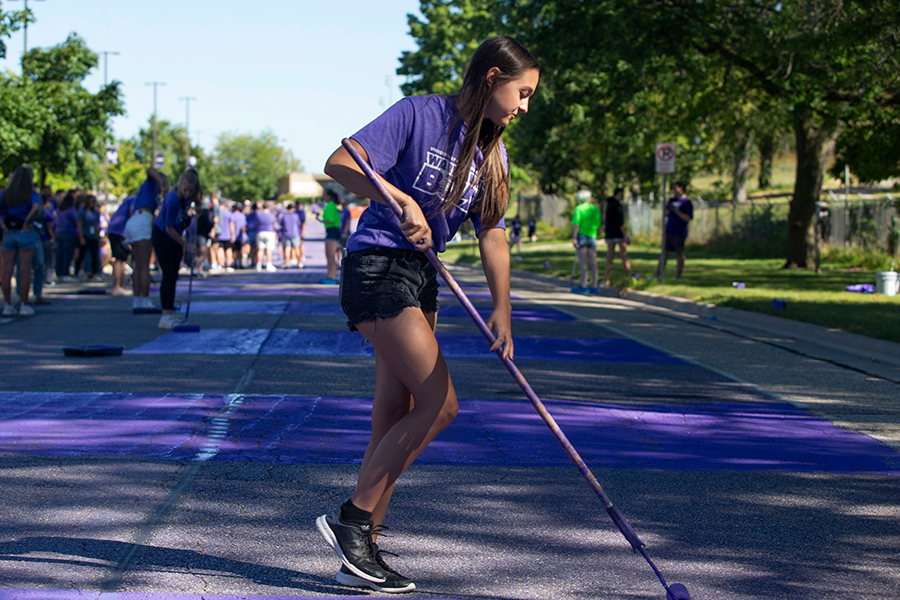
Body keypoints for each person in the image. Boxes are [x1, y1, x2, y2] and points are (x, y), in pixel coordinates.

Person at [316, 35, 538, 593]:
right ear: (491, 77)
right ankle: (353, 519)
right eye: (522, 92)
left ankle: (358, 557)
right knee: (441, 404)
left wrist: (503, 310)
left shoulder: (493, 152)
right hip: (377, 266)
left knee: (398, 408)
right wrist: (400, 198)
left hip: (421, 277)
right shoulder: (422, 112)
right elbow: (339, 162)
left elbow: (494, 233)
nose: (524, 107)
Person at [152, 168, 201, 329]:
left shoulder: (190, 199)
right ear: (180, 185)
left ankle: (170, 312)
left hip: (174, 238)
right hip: (163, 235)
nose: (187, 193)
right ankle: (165, 315)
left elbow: (183, 221)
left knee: (174, 275)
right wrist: (186, 244)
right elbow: (168, 228)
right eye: (185, 189)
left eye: (191, 191)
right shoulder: (172, 199)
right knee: (169, 273)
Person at [1, 165, 43, 316]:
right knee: (24, 270)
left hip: (9, 232)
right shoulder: (30, 193)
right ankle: (24, 304)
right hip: (25, 232)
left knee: (6, 270)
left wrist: (3, 226)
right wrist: (27, 221)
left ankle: (7, 304)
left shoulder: (6, 193)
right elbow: (37, 207)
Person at [125, 168, 168, 309]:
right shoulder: (151, 184)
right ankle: (145, 300)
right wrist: (160, 181)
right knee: (144, 265)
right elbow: (150, 169)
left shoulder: (147, 191)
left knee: (137, 265)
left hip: (134, 220)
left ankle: (137, 300)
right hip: (142, 219)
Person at [657, 181, 693, 281]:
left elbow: (688, 217)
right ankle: (657, 274)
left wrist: (676, 211)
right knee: (664, 253)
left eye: (675, 188)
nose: (674, 190)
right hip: (669, 230)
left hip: (680, 231)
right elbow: (666, 213)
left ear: (681, 188)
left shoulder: (687, 202)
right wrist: (669, 210)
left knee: (679, 253)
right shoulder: (672, 200)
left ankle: (678, 276)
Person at [570, 190, 601, 294]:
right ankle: (595, 285)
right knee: (593, 262)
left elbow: (576, 224)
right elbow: (597, 224)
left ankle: (584, 285)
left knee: (583, 262)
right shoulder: (595, 209)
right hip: (592, 236)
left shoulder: (579, 209)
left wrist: (574, 238)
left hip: (582, 236)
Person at [107, 195, 135, 295]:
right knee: (119, 259)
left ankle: (121, 286)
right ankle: (117, 287)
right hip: (119, 231)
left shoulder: (130, 199)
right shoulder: (134, 199)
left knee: (123, 259)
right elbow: (132, 213)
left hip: (118, 230)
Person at [603, 187, 631, 286]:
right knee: (624, 255)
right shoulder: (618, 206)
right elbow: (620, 223)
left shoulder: (609, 204)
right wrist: (626, 235)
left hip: (609, 233)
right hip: (618, 234)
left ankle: (607, 278)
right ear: (618, 194)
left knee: (610, 256)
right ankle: (628, 276)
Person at [75, 195, 101, 281]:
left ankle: (94, 273)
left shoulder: (96, 212)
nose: (93, 203)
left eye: (94, 201)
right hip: (85, 235)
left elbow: (97, 224)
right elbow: (80, 224)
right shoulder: (82, 211)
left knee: (94, 255)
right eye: (91, 201)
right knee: (82, 254)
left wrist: (98, 235)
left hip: (93, 236)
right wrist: (81, 237)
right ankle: (77, 271)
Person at [55, 192, 79, 282]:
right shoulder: (71, 209)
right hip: (69, 233)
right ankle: (65, 273)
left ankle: (59, 274)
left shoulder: (60, 209)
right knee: (67, 255)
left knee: (59, 254)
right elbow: (77, 220)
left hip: (59, 232)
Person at [320, 189, 341, 284]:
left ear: (329, 196)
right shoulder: (330, 205)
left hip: (332, 231)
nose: (322, 196)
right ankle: (330, 275)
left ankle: (332, 276)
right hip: (330, 231)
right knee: (329, 256)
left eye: (324, 194)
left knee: (330, 255)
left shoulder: (331, 205)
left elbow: (332, 220)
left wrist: (321, 220)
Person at [256, 201, 279, 272]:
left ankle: (258, 265)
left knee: (260, 249)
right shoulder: (271, 215)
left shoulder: (259, 214)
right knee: (268, 249)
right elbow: (274, 225)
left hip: (260, 232)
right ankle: (269, 264)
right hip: (269, 232)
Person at [280, 202, 304, 269]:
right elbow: (299, 224)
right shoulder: (296, 215)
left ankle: (287, 263)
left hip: (286, 234)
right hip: (295, 234)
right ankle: (299, 263)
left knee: (287, 249)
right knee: (297, 249)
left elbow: (282, 225)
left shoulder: (284, 216)